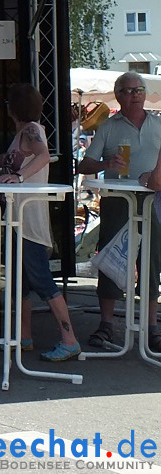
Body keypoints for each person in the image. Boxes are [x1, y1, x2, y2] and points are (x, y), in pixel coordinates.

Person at [0, 83, 81, 361]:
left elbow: (43, 155)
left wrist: (19, 177)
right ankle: (23, 336)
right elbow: (11, 158)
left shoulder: (33, 129)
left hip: (29, 222)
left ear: (15, 106)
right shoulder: (23, 132)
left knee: (42, 281)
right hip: (17, 220)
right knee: (19, 283)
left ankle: (70, 339)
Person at [79, 71, 161, 351]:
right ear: (118, 96)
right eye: (128, 91)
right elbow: (84, 165)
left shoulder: (157, 123)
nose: (135, 95)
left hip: (151, 200)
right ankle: (106, 324)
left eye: (139, 90)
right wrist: (106, 165)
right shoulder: (109, 126)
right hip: (118, 199)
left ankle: (151, 326)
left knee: (150, 261)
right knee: (111, 258)